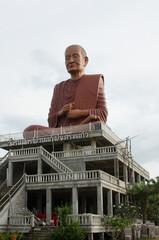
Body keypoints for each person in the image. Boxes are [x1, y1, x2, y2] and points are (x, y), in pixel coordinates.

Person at [24, 44, 108, 133]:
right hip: (61, 131)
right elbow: (50, 119)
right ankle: (66, 134)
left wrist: (80, 113)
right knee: (29, 130)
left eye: (75, 56)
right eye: (67, 58)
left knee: (97, 125)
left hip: (85, 126)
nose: (71, 61)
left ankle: (72, 133)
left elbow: (102, 113)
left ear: (85, 61)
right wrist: (61, 112)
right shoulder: (59, 87)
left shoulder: (95, 81)